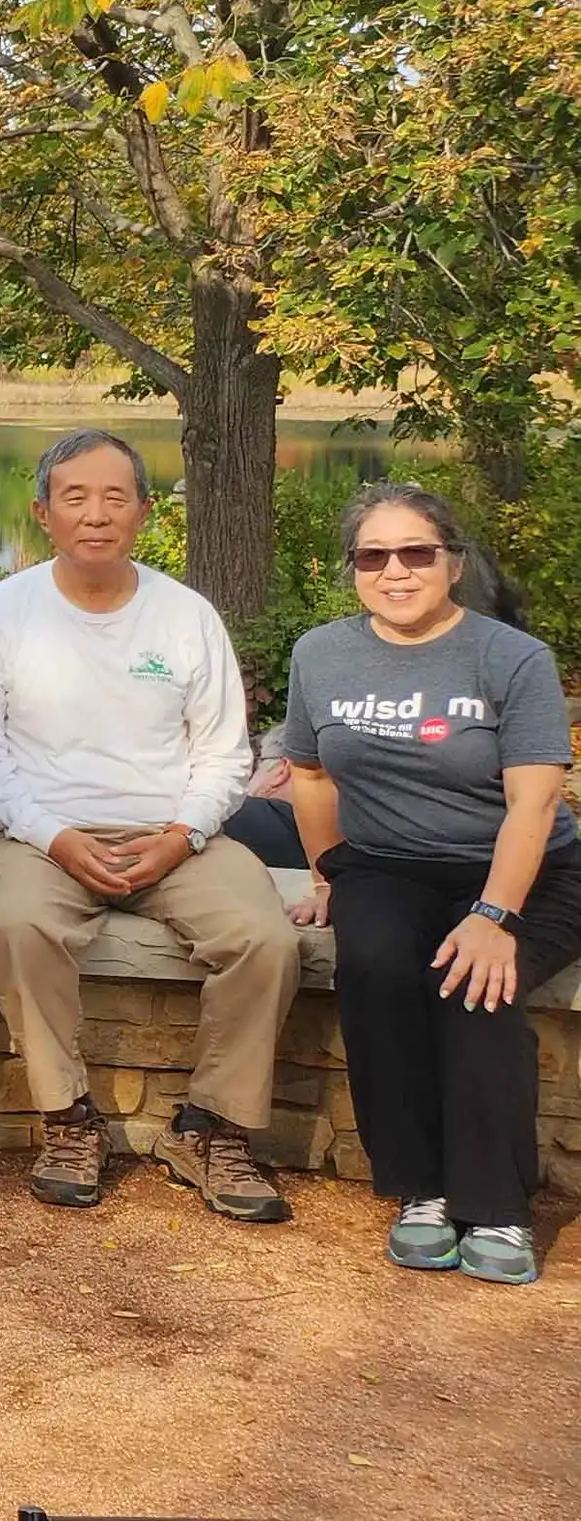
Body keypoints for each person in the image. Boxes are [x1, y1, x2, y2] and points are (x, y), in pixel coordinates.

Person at [0, 429, 300, 1223]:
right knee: (16, 926)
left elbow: (225, 755)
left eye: (116, 497)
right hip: (41, 836)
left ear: (145, 512)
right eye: (75, 496)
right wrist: (56, 838)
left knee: (267, 939)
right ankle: (69, 1118)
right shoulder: (0, 613)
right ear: (42, 511)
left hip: (174, 834)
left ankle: (210, 1127)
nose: (96, 514)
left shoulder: (185, 617)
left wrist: (180, 836)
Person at [278, 485, 576, 1284]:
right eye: (374, 555)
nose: (396, 570)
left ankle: (497, 1206)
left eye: (416, 552)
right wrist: (327, 870)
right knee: (372, 963)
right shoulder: (322, 653)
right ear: (353, 568)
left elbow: (536, 802)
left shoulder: (510, 657)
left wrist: (491, 913)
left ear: (453, 561)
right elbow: (306, 771)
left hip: (526, 868)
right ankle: (420, 1191)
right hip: (387, 861)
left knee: (475, 979)